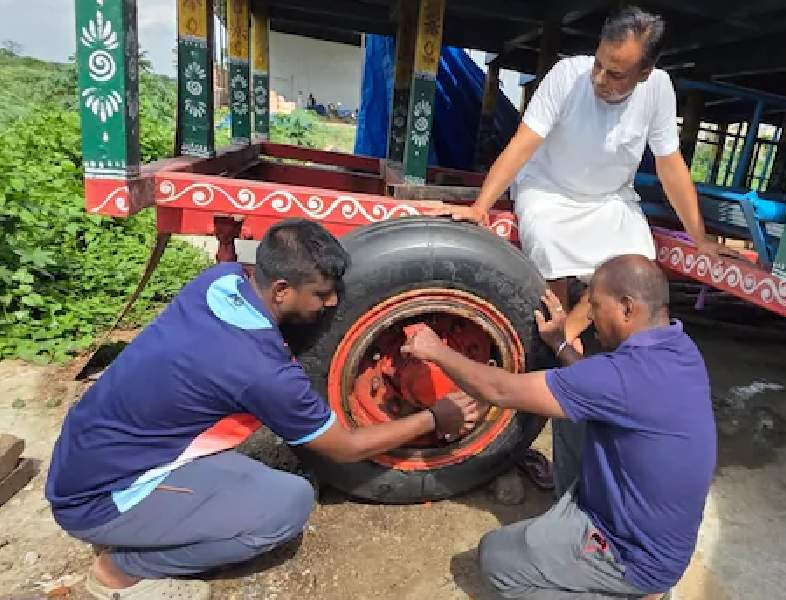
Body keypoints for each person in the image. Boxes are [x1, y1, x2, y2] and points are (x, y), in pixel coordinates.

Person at [45, 219, 478, 600]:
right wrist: (433, 417)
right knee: (286, 506)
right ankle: (122, 571)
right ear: (282, 289)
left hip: (89, 451)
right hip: (98, 498)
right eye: (322, 295)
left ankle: (146, 526)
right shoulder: (258, 370)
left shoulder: (220, 281)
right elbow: (344, 448)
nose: (330, 304)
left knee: (260, 477)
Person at [433, 5, 735, 495]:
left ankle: (565, 339)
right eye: (599, 63)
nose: (600, 78)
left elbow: (670, 164)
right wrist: (480, 207)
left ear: (645, 72)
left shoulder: (658, 91)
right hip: (549, 191)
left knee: (634, 262)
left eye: (616, 74)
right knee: (548, 250)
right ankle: (547, 349)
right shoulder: (567, 75)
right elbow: (522, 145)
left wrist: (699, 236)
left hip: (611, 200)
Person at [401, 255, 717, 599]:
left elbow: (501, 390)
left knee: (496, 558)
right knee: (569, 415)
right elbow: (596, 388)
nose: (591, 317)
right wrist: (560, 344)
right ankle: (572, 530)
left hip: (629, 556)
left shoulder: (623, 376)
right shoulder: (679, 348)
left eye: (596, 305)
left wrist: (436, 350)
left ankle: (635, 593)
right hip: (657, 536)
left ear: (628, 308)